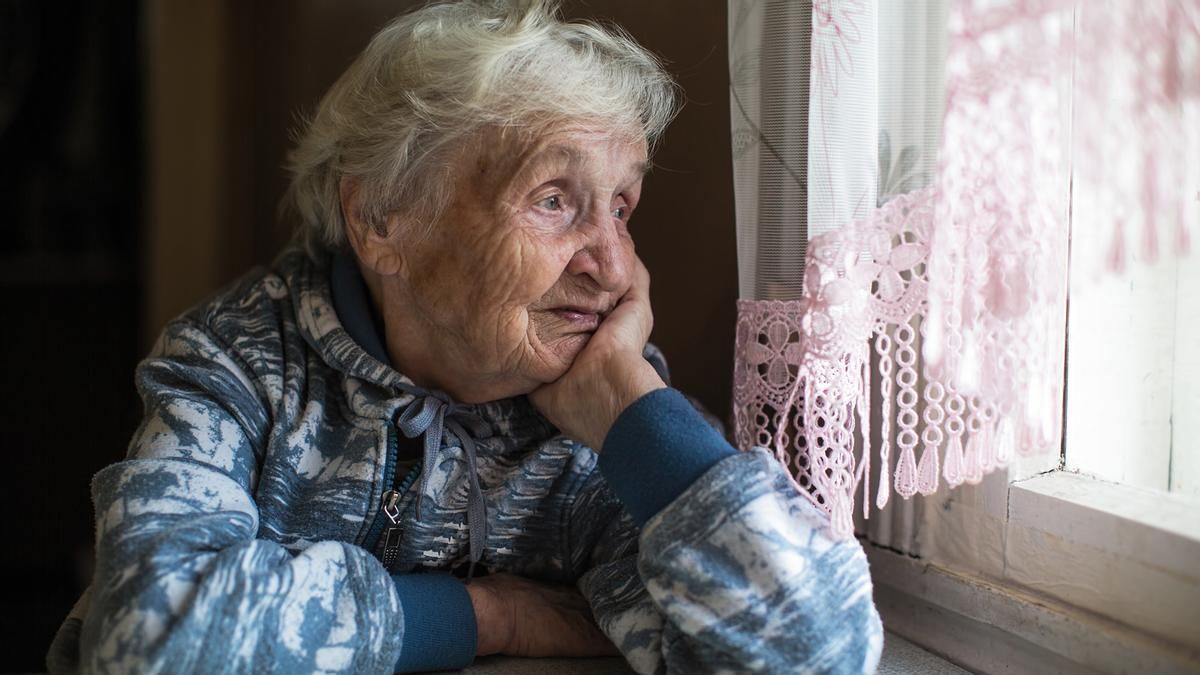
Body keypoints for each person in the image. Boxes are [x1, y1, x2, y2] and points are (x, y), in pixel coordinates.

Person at [47, 1, 883, 673]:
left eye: (621, 207)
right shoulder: (238, 364)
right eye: (554, 199)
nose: (613, 267)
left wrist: (637, 414)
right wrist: (489, 616)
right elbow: (150, 639)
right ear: (382, 218)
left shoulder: (601, 412)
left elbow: (820, 652)